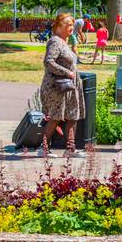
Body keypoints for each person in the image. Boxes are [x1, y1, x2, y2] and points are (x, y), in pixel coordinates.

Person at [38, 13, 85, 157]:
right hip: (57, 87)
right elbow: (49, 62)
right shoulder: (55, 41)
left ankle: (70, 149)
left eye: (72, 25)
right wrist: (67, 72)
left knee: (72, 115)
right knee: (56, 117)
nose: (72, 28)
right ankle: (44, 149)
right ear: (58, 26)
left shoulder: (64, 42)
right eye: (68, 25)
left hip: (69, 87)